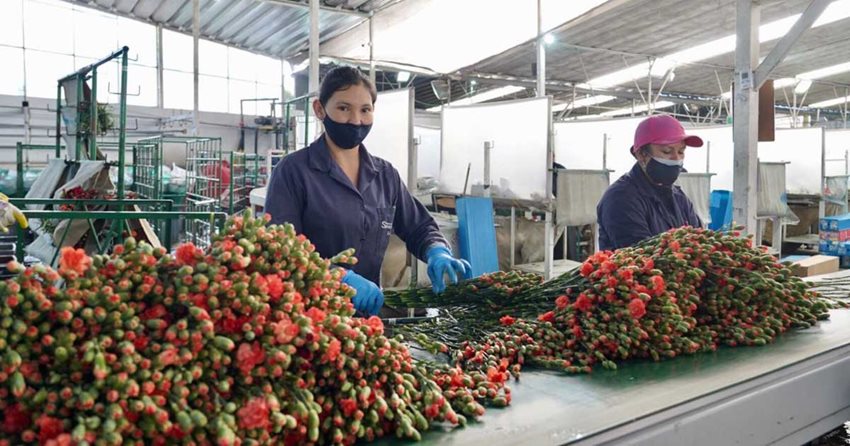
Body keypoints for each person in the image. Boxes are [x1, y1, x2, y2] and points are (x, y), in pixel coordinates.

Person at [265, 66, 470, 316]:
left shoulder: (385, 175)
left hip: (367, 316)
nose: (355, 120)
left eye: (365, 110)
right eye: (343, 108)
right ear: (320, 109)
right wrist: (335, 276)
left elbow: (418, 226)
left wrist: (437, 251)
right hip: (310, 315)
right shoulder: (294, 171)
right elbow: (279, 249)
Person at [596, 114, 703, 251]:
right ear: (641, 154)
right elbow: (643, 259)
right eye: (667, 151)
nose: (676, 159)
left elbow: (700, 243)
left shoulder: (679, 198)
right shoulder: (621, 198)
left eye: (681, 151)